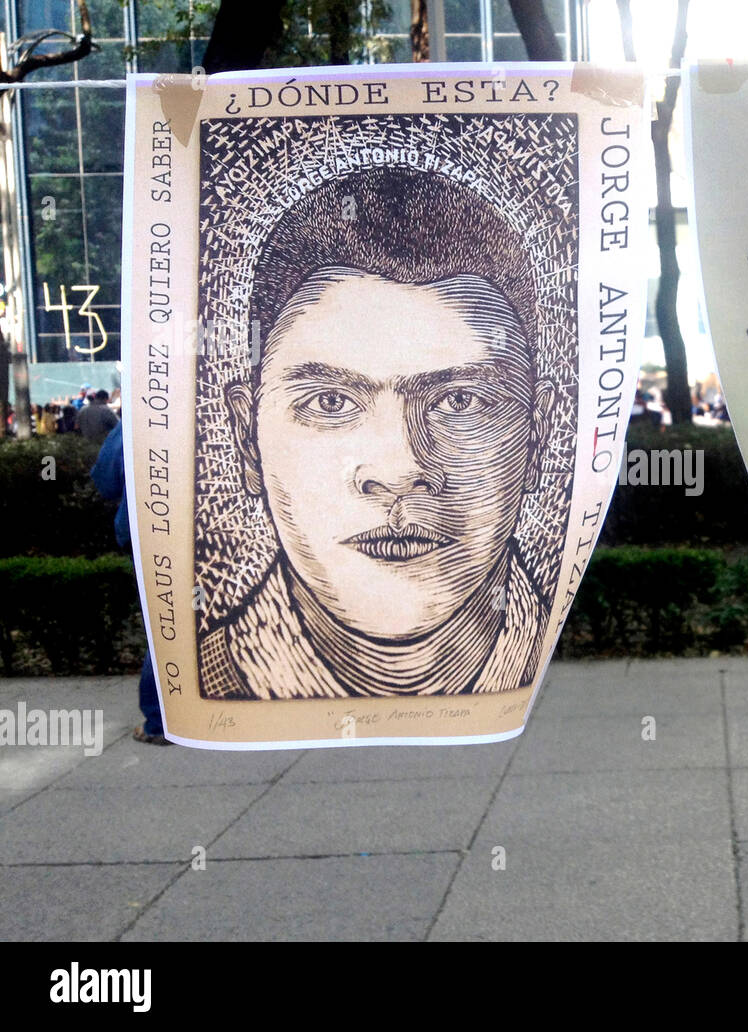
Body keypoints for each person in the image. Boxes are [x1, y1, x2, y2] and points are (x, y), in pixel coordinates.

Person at [199, 166, 558, 700]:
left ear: (536, 434)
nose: (399, 472)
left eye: (460, 400)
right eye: (331, 401)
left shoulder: (564, 690)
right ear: (248, 440)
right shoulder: (206, 685)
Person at [90, 422, 169, 745]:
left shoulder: (135, 418)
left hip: (147, 533)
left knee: (163, 624)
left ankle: (159, 721)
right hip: (209, 532)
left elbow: (105, 482)